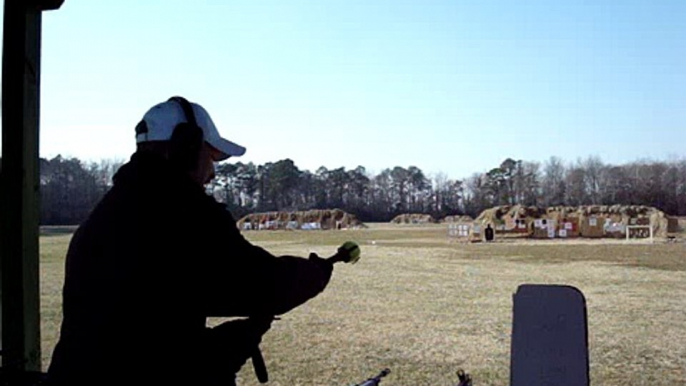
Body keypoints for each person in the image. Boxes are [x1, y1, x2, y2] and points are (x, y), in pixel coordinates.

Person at [47, 97, 336, 386]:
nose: (211, 173)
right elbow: (261, 285)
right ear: (187, 147)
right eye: (210, 157)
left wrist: (224, 342)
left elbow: (143, 319)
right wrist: (314, 274)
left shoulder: (109, 211)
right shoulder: (185, 211)